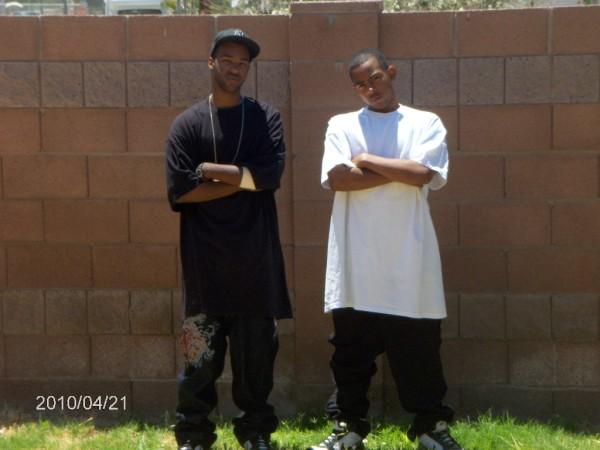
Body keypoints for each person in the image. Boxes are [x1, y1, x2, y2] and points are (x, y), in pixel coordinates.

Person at [308, 49, 463, 450]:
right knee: (350, 354)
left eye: (375, 78)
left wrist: (366, 160)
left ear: (390, 72)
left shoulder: (424, 122)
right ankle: (349, 429)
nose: (370, 88)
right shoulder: (342, 124)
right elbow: (339, 179)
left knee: (420, 352)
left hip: (411, 262)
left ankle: (430, 428)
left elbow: (424, 173)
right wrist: (399, 169)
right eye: (360, 84)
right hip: (355, 265)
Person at [165, 29, 292, 450]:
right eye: (227, 59)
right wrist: (243, 180)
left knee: (257, 361)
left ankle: (255, 432)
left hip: (256, 263)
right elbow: (181, 192)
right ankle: (193, 434)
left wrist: (210, 170)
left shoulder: (264, 118)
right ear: (211, 62)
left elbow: (270, 176)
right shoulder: (187, 124)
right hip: (204, 265)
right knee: (198, 359)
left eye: (243, 62)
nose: (235, 67)